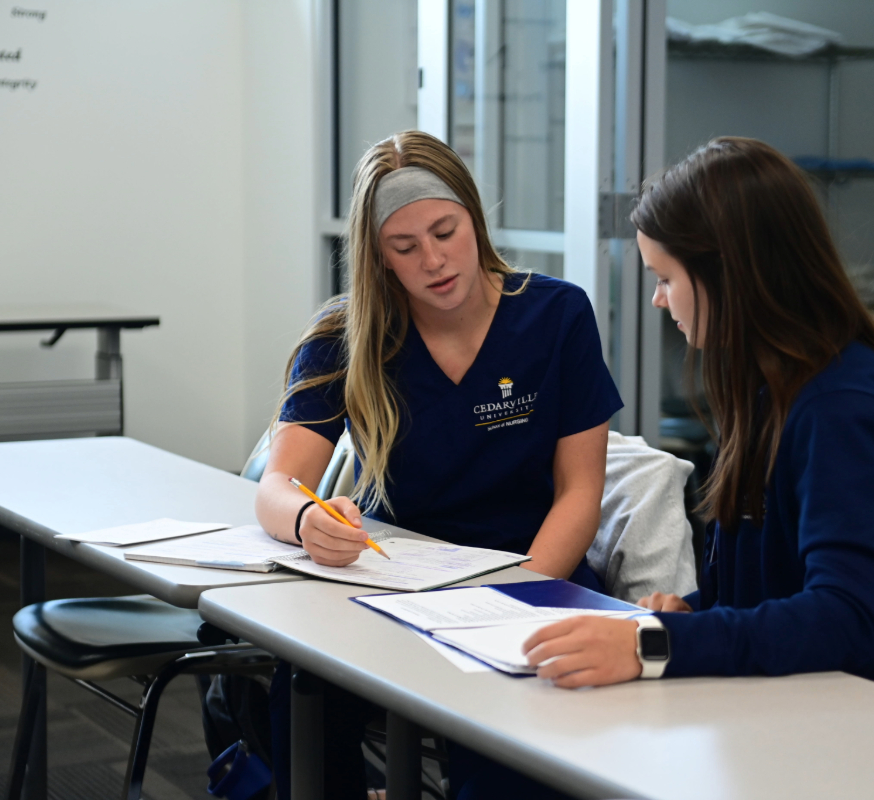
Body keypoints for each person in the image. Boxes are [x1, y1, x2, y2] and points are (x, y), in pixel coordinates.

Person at [524, 136, 874, 699]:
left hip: (853, 727)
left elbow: (849, 619)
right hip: (789, 700)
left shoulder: (843, 410)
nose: (659, 301)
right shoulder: (773, 389)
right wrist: (689, 617)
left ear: (729, 275)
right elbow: (774, 596)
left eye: (665, 278)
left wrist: (652, 646)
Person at [255, 130, 622, 799]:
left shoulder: (555, 315)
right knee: (301, 696)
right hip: (397, 585)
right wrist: (309, 519)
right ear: (377, 258)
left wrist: (519, 598)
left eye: (446, 231)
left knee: (503, 745)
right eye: (404, 246)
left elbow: (580, 493)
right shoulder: (344, 335)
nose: (433, 259)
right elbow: (277, 487)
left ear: (474, 221)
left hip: (535, 572)